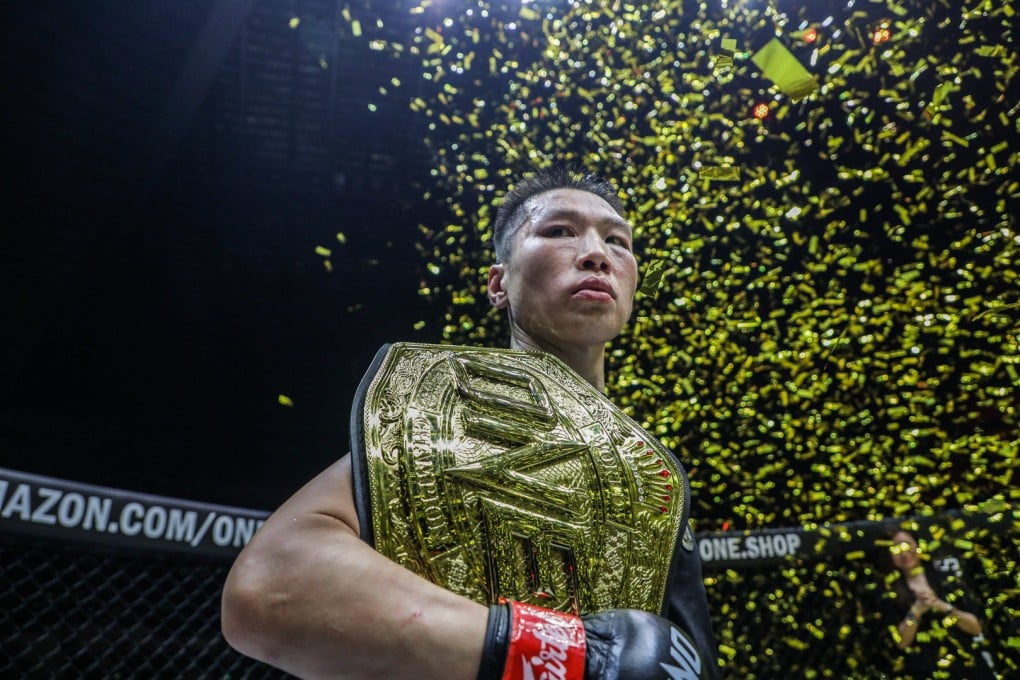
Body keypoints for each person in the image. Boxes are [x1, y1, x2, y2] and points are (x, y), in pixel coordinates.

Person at [221, 167, 720, 679]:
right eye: (558, 231)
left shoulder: (644, 459)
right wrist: (565, 657)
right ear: (498, 283)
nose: (597, 253)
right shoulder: (442, 415)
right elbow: (273, 586)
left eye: (618, 240)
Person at [874, 525, 995, 679]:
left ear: (918, 546)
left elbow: (975, 627)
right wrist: (916, 611)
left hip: (968, 667)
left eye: (907, 545)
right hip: (925, 670)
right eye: (895, 549)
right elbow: (901, 642)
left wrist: (941, 605)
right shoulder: (888, 592)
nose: (903, 552)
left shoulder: (946, 579)